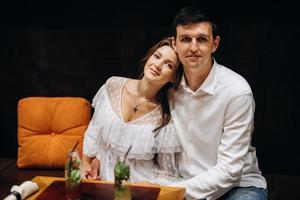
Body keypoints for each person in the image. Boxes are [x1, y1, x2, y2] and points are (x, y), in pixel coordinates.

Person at [169, 6, 267, 200]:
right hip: (184, 182)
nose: (193, 47)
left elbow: (229, 170)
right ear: (175, 44)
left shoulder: (236, 91)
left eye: (202, 39)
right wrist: (90, 158)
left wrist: (175, 192)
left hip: (238, 187)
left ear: (215, 44)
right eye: (186, 39)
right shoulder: (169, 87)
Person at [81, 37, 183, 185]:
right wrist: (86, 163)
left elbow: (167, 172)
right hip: (101, 180)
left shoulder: (166, 116)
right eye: (157, 56)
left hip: (138, 184)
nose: (157, 65)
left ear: (174, 77)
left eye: (168, 65)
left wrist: (145, 187)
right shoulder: (113, 85)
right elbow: (94, 131)